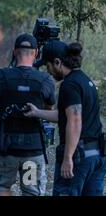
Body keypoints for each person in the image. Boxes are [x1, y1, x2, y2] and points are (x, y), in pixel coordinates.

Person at [24, 41, 105, 196]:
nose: (49, 72)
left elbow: (75, 121)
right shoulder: (86, 81)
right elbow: (64, 115)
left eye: (48, 67)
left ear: (57, 62)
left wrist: (68, 158)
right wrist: (36, 112)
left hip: (78, 157)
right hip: (96, 155)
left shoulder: (70, 85)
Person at [0, 33, 56, 196]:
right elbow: (49, 108)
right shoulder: (45, 79)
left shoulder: (1, 76)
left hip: (5, 147)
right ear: (36, 54)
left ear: (14, 52)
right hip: (31, 150)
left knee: (2, 186)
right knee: (30, 190)